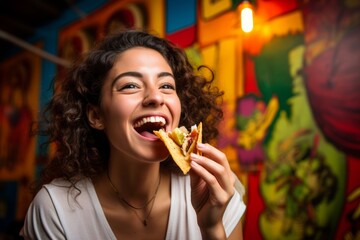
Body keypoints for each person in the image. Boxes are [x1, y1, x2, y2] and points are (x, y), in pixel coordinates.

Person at [20, 29, 246, 240]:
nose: (156, 97)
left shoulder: (217, 193)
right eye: (130, 86)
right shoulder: (55, 209)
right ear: (96, 116)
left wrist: (211, 228)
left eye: (166, 85)